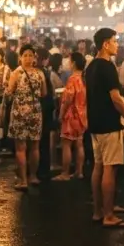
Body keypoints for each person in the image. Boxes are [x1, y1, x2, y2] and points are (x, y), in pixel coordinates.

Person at [86, 28, 124, 228]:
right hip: (109, 123)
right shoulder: (107, 66)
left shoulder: (91, 66)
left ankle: (99, 211)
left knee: (99, 166)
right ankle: (109, 215)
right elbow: (116, 98)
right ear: (105, 44)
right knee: (110, 168)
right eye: (114, 41)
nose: (117, 44)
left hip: (95, 123)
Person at [4, 44, 46, 190]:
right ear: (21, 57)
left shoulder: (16, 73)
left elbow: (9, 93)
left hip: (19, 113)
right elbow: (44, 93)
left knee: (20, 148)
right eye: (25, 55)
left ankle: (23, 180)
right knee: (35, 147)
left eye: (30, 55)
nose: (28, 58)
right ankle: (33, 176)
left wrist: (7, 90)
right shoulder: (40, 73)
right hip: (35, 112)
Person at [54, 52, 87, 181]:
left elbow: (68, 99)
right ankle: (79, 171)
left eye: (69, 60)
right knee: (79, 144)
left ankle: (65, 173)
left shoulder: (73, 79)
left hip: (71, 115)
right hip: (82, 115)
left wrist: (61, 114)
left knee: (66, 144)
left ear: (73, 63)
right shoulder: (84, 78)